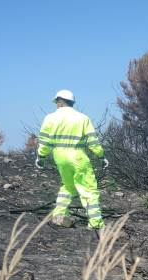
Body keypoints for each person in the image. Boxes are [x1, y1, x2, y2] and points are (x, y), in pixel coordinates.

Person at [36, 90, 108, 231]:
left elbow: (45, 142)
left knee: (67, 186)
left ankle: (59, 215)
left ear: (59, 102)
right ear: (72, 103)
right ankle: (95, 223)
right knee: (89, 190)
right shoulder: (82, 118)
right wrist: (101, 156)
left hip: (59, 157)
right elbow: (92, 141)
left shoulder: (49, 118)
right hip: (77, 156)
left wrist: (41, 157)